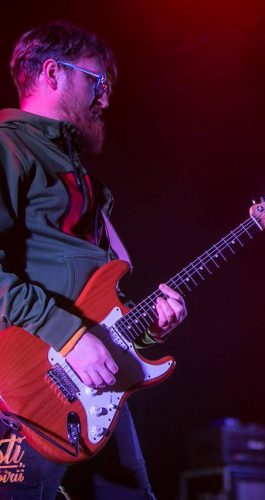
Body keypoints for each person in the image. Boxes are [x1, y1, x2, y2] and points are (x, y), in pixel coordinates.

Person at [0, 21, 187, 499]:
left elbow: (100, 295)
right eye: (95, 81)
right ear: (52, 73)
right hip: (26, 386)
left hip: (98, 384)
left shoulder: (87, 183)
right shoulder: (8, 146)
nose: (104, 98)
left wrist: (146, 328)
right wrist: (68, 335)